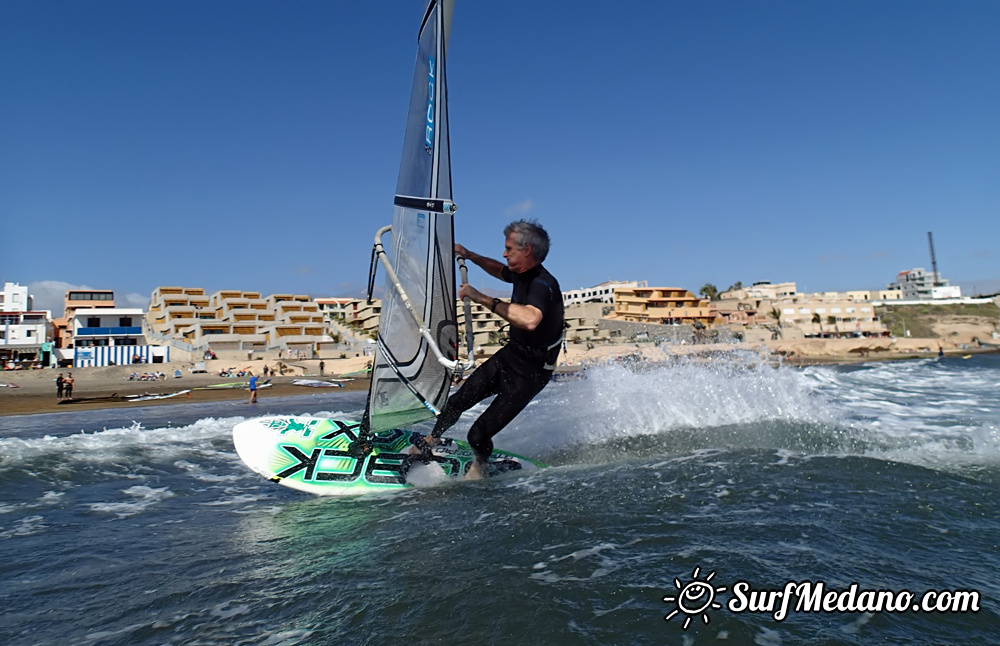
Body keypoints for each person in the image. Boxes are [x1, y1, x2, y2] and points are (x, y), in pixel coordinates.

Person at [414, 219, 564, 480]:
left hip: (529, 374)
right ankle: (432, 439)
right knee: (456, 402)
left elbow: (530, 319)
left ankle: (480, 466)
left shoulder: (543, 284)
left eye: (509, 249)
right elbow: (499, 271)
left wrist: (480, 297)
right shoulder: (521, 274)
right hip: (511, 356)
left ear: (526, 250)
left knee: (478, 434)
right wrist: (470, 256)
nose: (504, 253)